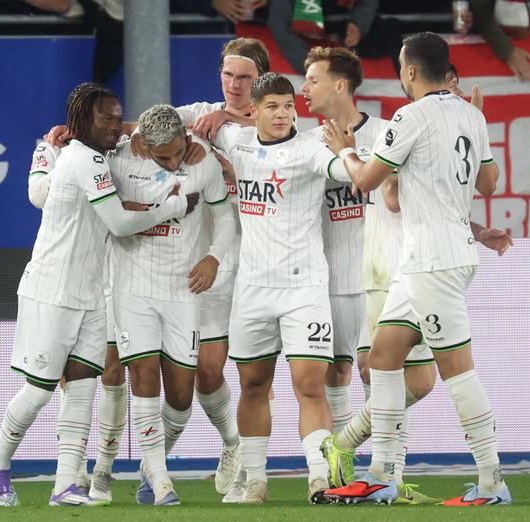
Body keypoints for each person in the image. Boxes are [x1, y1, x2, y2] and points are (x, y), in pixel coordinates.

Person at [321, 32, 511, 506]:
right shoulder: (472, 114)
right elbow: (489, 183)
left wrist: (342, 149)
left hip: (433, 261)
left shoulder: (408, 116)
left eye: (400, 68)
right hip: (434, 257)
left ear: (409, 71)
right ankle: (382, 472)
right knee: (384, 357)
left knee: (457, 373)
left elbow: (367, 181)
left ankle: (492, 482)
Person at [0, 84, 195, 507]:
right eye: (107, 118)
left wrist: (47, 151)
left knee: (82, 387)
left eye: (119, 117)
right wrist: (175, 207)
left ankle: (66, 483)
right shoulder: (84, 160)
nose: (116, 125)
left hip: (92, 293)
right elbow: (118, 222)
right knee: (40, 390)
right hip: (52, 290)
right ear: (83, 121)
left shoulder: (91, 158)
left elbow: (105, 208)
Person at [128, 37, 271, 499]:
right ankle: (229, 446)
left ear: (261, 79)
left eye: (245, 76)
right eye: (228, 75)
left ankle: (250, 464)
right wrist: (92, 133)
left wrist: (228, 122)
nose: (234, 84)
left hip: (265, 262)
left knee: (255, 375)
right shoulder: (199, 116)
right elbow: (149, 127)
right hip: (212, 261)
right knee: (207, 371)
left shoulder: (277, 119)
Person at [210, 72, 355, 504]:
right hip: (252, 290)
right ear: (253, 111)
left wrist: (347, 155)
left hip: (303, 289)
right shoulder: (234, 141)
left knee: (309, 385)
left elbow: (342, 170)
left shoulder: (311, 148)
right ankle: (254, 481)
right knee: (253, 386)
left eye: (288, 105)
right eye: (272, 106)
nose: (282, 113)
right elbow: (194, 121)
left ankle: (319, 477)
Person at [108, 104, 236, 506]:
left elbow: (225, 215)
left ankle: (152, 465)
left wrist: (214, 256)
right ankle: (162, 481)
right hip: (133, 288)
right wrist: (54, 137)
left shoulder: (202, 160)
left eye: (179, 152)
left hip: (184, 291)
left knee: (181, 396)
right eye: (164, 157)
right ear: (142, 143)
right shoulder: (118, 159)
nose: (174, 162)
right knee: (143, 377)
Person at [267, 0, 378, 75]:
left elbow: (367, 4)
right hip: (301, 40)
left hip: (343, 28)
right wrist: (312, 67)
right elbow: (279, 25)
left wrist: (358, 24)